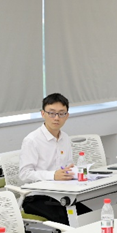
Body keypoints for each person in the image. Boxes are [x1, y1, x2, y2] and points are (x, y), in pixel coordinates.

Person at [19, 93, 90, 225]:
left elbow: (68, 165)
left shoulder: (65, 138)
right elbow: (24, 174)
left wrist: (71, 171)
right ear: (43, 114)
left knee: (89, 217)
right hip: (37, 197)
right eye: (52, 113)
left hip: (62, 194)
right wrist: (53, 175)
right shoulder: (32, 140)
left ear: (67, 116)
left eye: (61, 113)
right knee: (72, 222)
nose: (56, 118)